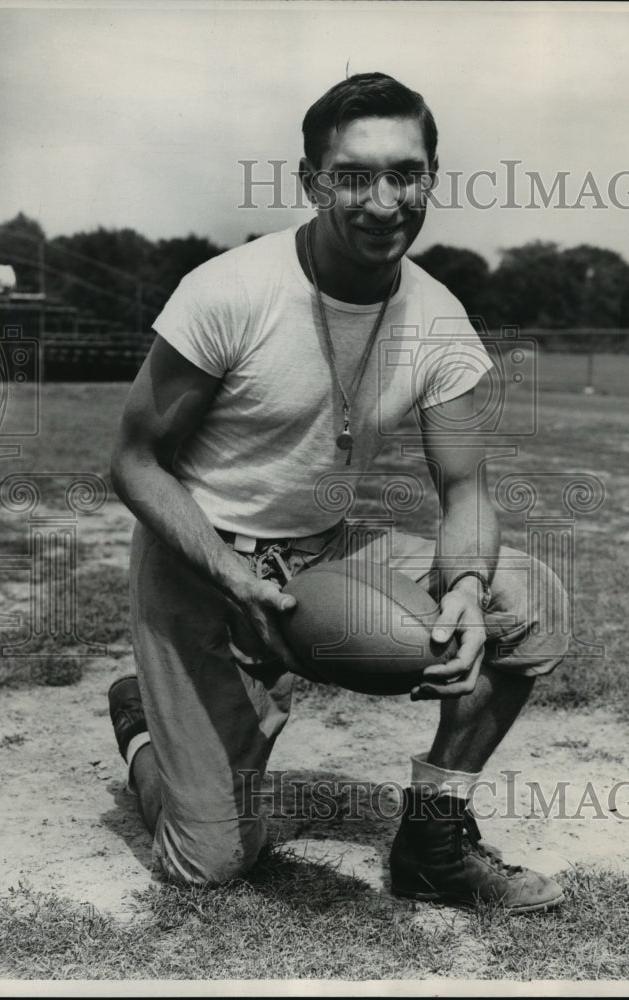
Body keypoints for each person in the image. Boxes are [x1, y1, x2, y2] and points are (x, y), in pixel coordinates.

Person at [108, 72, 569, 911]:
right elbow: (135, 462)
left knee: (526, 599)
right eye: (354, 176)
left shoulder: (438, 316)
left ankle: (433, 841)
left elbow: (466, 488)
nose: (384, 200)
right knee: (208, 858)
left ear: (432, 175)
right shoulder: (230, 291)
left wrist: (464, 586)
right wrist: (226, 572)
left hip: (318, 557)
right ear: (312, 182)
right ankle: (146, 726)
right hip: (201, 570)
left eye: (407, 172)